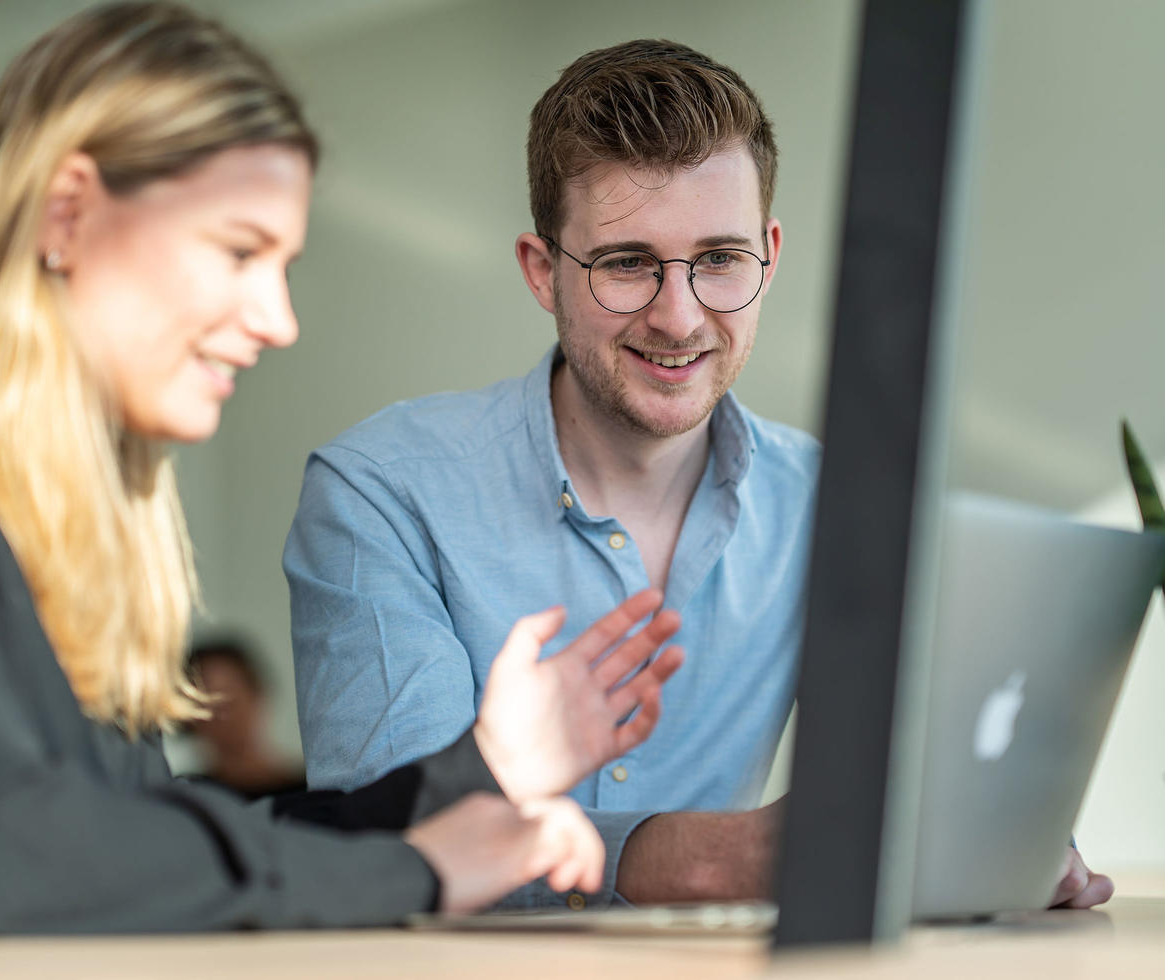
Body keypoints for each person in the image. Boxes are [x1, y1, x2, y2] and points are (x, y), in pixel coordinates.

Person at [285, 38, 1112, 911]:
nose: (678, 318)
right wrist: (694, 859)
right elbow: (386, 849)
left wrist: (983, 837)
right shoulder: (381, 491)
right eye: (627, 263)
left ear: (769, 257)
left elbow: (925, 772)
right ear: (542, 272)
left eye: (719, 259)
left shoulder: (837, 507)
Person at [0, 3, 684, 934]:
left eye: (284, 266)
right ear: (68, 213)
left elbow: (159, 851)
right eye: (238, 251)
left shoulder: (56, 537)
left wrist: (479, 774)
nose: (277, 319)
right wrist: (415, 871)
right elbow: (16, 855)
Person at [184, 637, 306, 798]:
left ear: (258, 695)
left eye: (231, 701)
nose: (223, 716)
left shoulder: (312, 790)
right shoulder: (188, 797)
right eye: (207, 705)